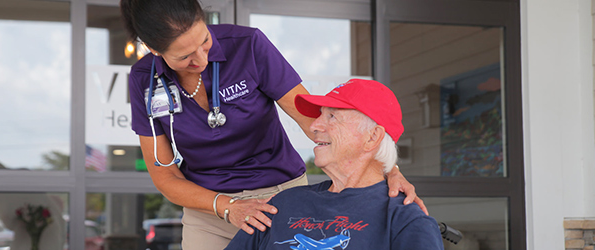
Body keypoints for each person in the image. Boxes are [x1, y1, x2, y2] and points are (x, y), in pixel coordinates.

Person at [120, 1, 425, 249]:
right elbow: (165, 176)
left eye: (205, 41)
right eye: (185, 56)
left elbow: (316, 122)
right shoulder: (143, 80)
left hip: (281, 199)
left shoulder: (248, 45)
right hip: (209, 210)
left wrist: (389, 168)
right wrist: (227, 207)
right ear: (154, 50)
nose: (202, 57)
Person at [224, 79, 444, 250]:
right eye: (321, 115)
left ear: (372, 137)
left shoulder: (405, 220)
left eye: (332, 117)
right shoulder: (282, 203)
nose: (314, 126)